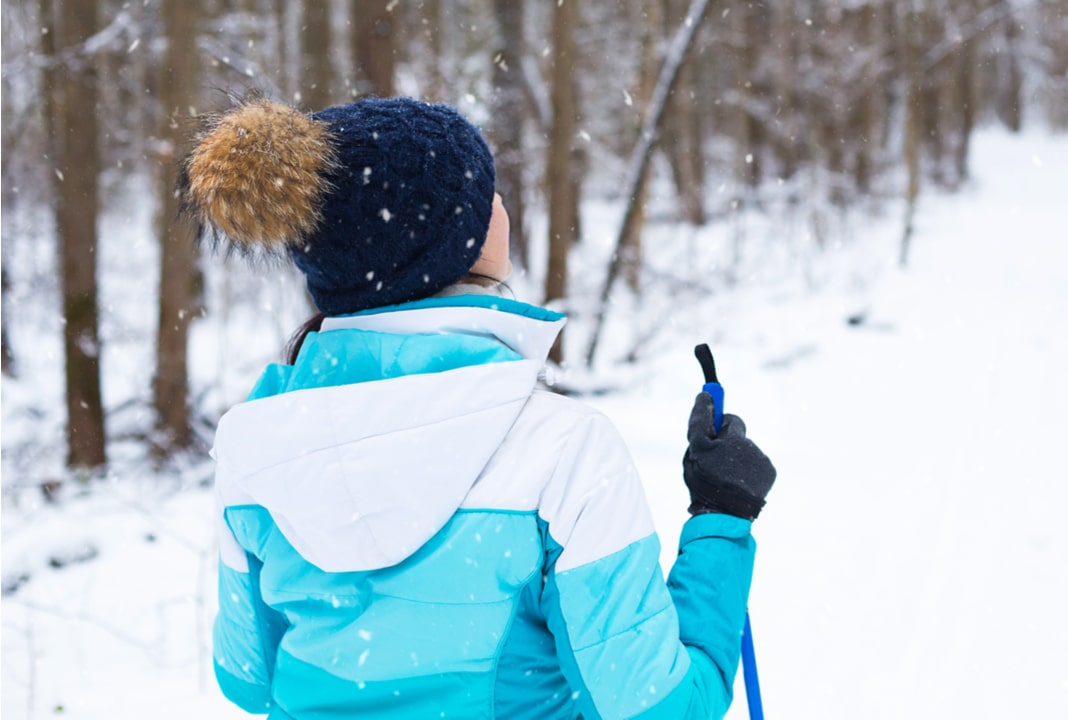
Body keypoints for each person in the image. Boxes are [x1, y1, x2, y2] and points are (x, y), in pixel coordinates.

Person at [184, 94, 777, 720]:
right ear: (454, 238)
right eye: (487, 193)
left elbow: (246, 678)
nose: (500, 207)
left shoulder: (254, 444)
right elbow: (662, 709)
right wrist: (722, 516)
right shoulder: (562, 449)